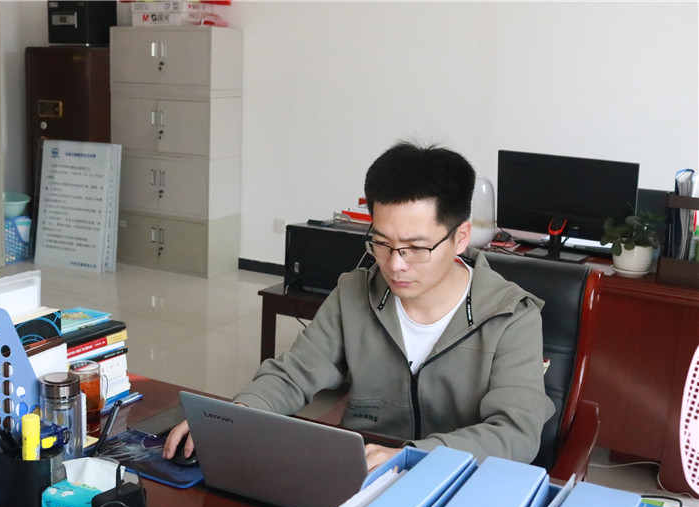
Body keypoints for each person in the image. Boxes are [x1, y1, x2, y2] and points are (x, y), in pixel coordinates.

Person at [164, 140, 554, 471]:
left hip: (457, 482)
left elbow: (514, 433)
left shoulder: (510, 316)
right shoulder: (354, 293)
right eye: (382, 242)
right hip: (361, 473)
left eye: (416, 248)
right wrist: (229, 418)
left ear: (461, 237)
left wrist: (412, 458)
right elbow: (293, 375)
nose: (395, 265)